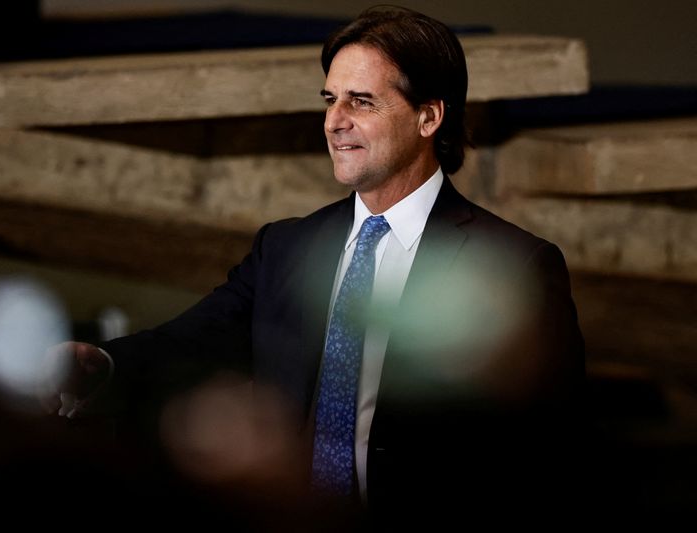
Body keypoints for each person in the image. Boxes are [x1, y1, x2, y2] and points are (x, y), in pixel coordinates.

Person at [41, 6, 584, 527]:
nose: (334, 121)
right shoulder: (286, 248)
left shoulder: (514, 266)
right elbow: (195, 340)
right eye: (330, 99)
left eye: (361, 101)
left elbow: (550, 460)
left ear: (428, 115)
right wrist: (103, 365)